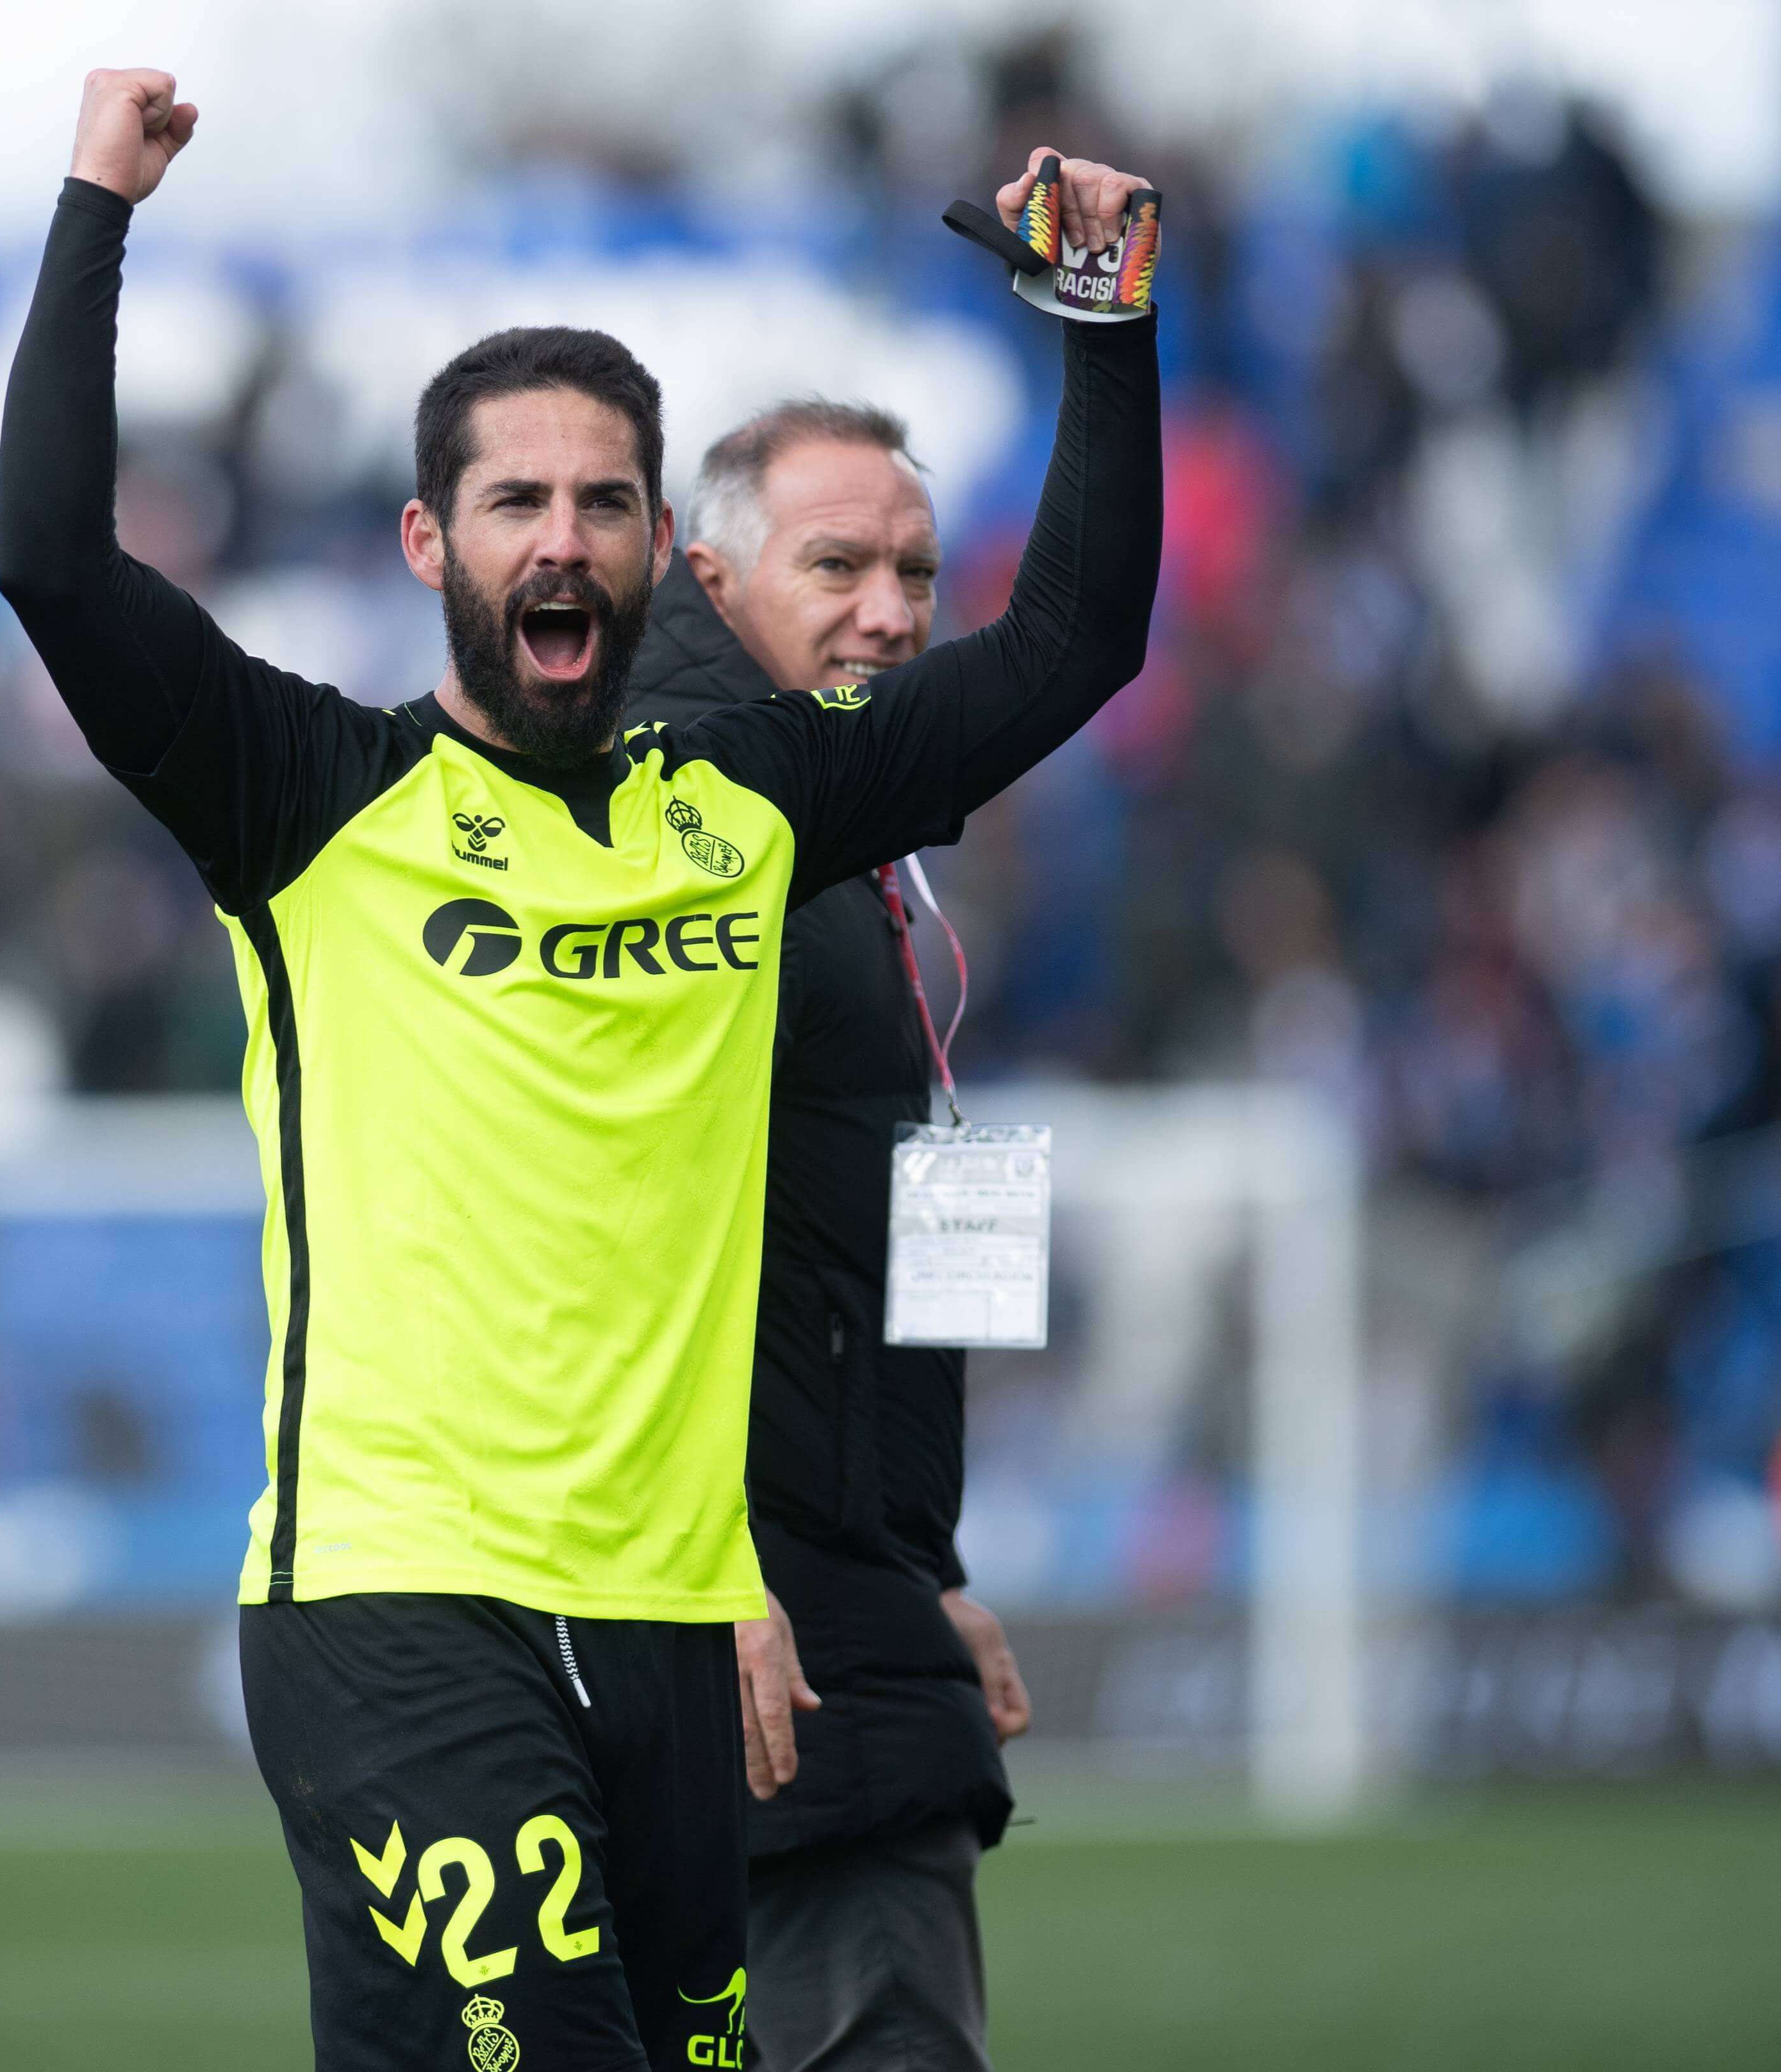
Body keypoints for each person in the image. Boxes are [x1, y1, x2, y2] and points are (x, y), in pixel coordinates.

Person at [0, 67, 1159, 2071]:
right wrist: (99, 202)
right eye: (517, 503)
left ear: (655, 547)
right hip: (399, 1606)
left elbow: (1072, 646)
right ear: (429, 539)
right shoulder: (309, 795)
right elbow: (51, 564)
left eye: (605, 501)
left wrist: (1105, 320)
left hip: (675, 1636)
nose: (564, 538)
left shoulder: (750, 800)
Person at [626, 401, 1032, 2069]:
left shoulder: (820, 808)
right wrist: (708, 1573)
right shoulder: (682, 823)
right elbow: (626, 1245)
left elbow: (819, 1259)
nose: (891, 609)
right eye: (839, 565)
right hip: (771, 1662)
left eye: (918, 572)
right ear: (713, 578)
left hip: (825, 1608)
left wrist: (920, 1570)